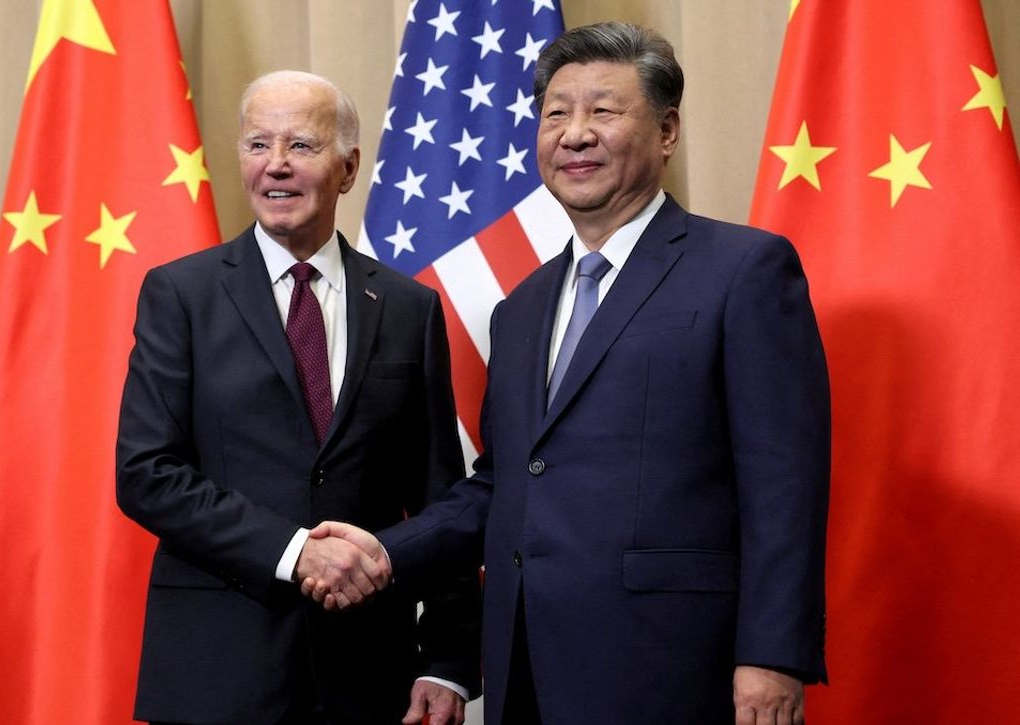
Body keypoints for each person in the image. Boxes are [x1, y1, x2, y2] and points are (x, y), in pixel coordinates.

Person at [305, 22, 830, 725]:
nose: (574, 134)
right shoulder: (520, 308)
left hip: (675, 668)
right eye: (556, 114)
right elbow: (507, 481)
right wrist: (383, 551)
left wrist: (772, 654)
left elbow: (783, 480)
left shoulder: (743, 270)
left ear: (667, 131)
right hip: (526, 665)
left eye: (603, 111)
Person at [116, 70, 481, 725]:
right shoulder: (181, 295)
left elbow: (439, 495)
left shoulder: (408, 307)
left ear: (347, 168)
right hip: (219, 671)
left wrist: (447, 658)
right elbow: (146, 473)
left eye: (301, 146)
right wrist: (294, 550)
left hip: (371, 676)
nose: (275, 165)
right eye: (258, 145)